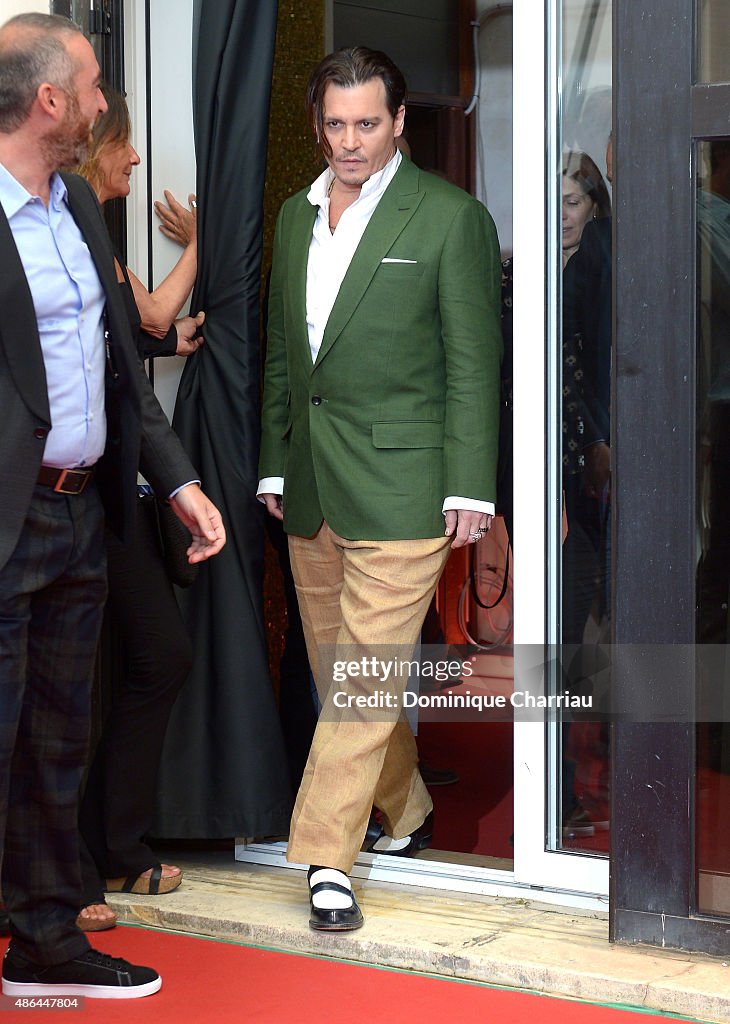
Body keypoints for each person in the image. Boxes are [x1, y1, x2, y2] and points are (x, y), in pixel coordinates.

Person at [0, 13, 225, 999]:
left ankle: (50, 937)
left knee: (59, 741)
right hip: (3, 524)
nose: (102, 103)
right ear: (49, 101)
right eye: (92, 87)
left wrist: (175, 479)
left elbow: (118, 373)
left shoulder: (80, 212)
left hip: (84, 516)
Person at [258, 46, 502, 931]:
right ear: (318, 124)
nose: (349, 142)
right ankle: (408, 810)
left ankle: (327, 855)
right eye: (334, 124)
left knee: (360, 685)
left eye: (367, 123)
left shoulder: (449, 218)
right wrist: (276, 461)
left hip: (408, 486)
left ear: (400, 121)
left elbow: (475, 363)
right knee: (345, 677)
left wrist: (471, 483)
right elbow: (290, 355)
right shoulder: (295, 216)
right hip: (313, 484)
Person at [72, 84, 202, 932]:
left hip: (112, 493)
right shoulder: (62, 227)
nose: (137, 158)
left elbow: (140, 331)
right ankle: (87, 861)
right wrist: (200, 249)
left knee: (149, 659)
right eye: (124, 140)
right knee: (72, 688)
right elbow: (149, 319)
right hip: (69, 498)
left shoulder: (86, 231)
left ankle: (105, 849)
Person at [560, 147, 612, 840]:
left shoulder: (598, 262)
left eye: (571, 202)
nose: (562, 216)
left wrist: (602, 444)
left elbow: (606, 362)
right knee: (572, 615)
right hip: (564, 463)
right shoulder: (549, 264)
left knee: (585, 602)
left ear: (594, 206)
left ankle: (579, 780)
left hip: (590, 459)